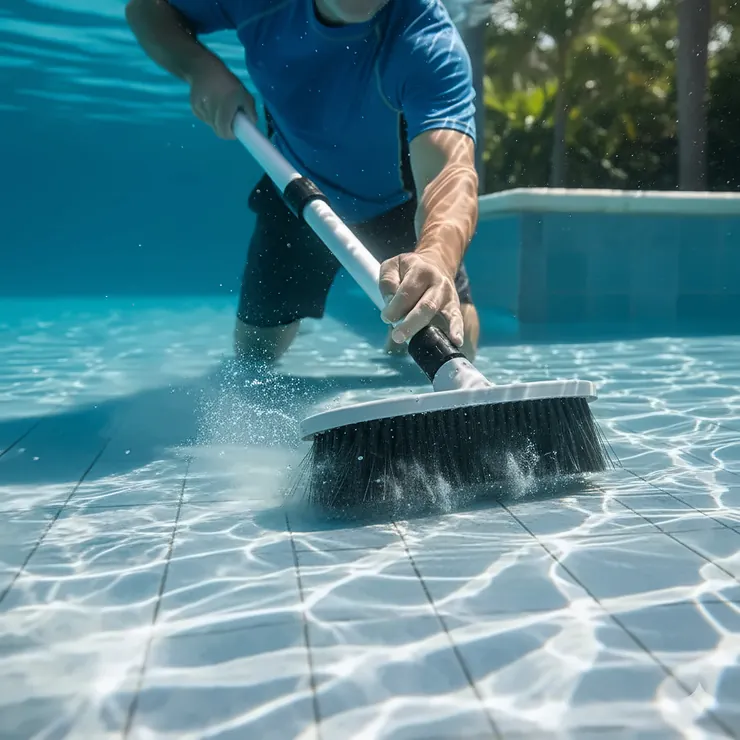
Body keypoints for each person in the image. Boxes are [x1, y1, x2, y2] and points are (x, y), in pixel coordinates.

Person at [125, 0, 481, 365]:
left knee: (456, 341)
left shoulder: (426, 38)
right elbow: (147, 10)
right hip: (294, 193)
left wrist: (436, 256)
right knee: (254, 358)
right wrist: (199, 67)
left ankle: (399, 341)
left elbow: (450, 173)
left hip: (397, 205)